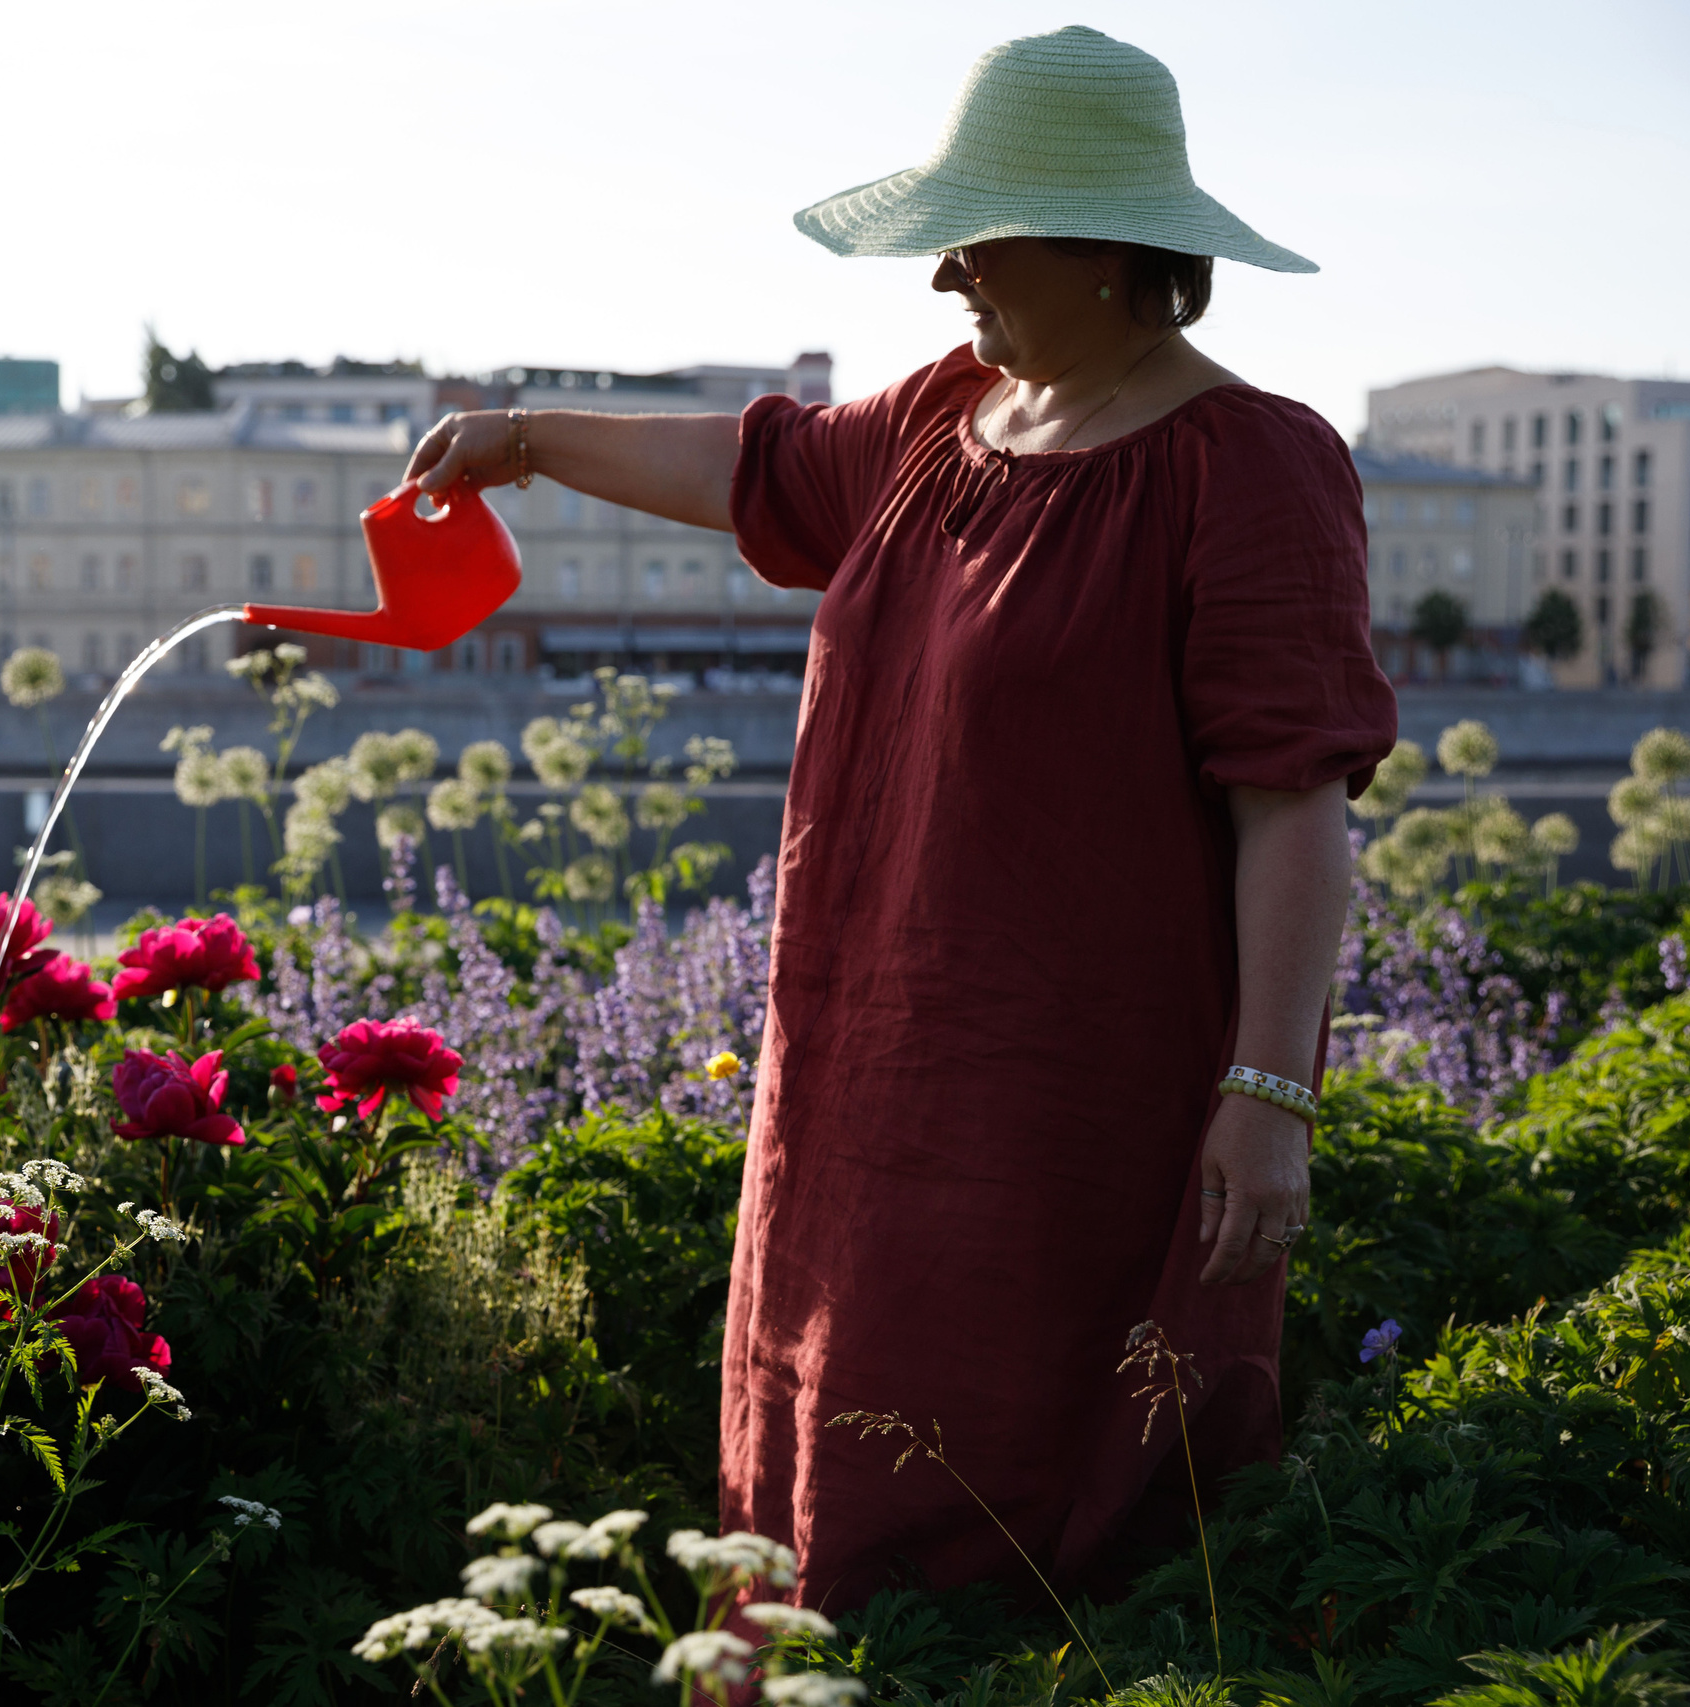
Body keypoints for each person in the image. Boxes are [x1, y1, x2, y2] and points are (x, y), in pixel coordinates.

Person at [406, 25, 1396, 1608]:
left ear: (1103, 247)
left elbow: (1295, 803)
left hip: (1078, 1110)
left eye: (978, 232)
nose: (946, 276)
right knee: (832, 1473)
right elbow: (762, 468)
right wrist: (522, 440)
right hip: (860, 1075)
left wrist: (1271, 1089)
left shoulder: (1253, 466)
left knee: (1038, 1515)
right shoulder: (947, 416)